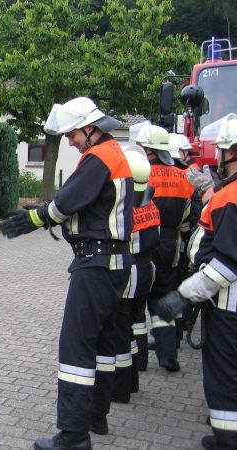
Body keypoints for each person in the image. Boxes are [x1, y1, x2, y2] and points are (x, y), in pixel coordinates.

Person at [0, 96, 134, 450]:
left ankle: (74, 435)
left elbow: (67, 203)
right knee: (103, 343)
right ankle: (96, 415)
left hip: (96, 264)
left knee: (76, 347)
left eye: (72, 134)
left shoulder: (98, 158)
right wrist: (43, 212)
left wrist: (33, 218)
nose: (71, 142)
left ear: (89, 129)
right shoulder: (114, 153)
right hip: (115, 262)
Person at [155, 113, 237, 450]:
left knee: (224, 374)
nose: (217, 157)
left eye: (221, 150)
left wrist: (184, 296)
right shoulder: (225, 192)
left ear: (231, 152)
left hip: (227, 303)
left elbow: (227, 263)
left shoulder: (230, 197)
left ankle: (227, 439)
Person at [134, 123, 194, 372]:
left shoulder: (144, 175)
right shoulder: (183, 176)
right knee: (162, 298)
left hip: (145, 241)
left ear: (148, 149)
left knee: (137, 302)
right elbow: (187, 216)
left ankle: (138, 361)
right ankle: (168, 356)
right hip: (172, 244)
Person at [112, 147, 160, 403]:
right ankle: (132, 381)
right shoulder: (150, 203)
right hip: (146, 272)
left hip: (128, 275)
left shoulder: (125, 208)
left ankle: (120, 390)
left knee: (119, 333)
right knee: (131, 327)